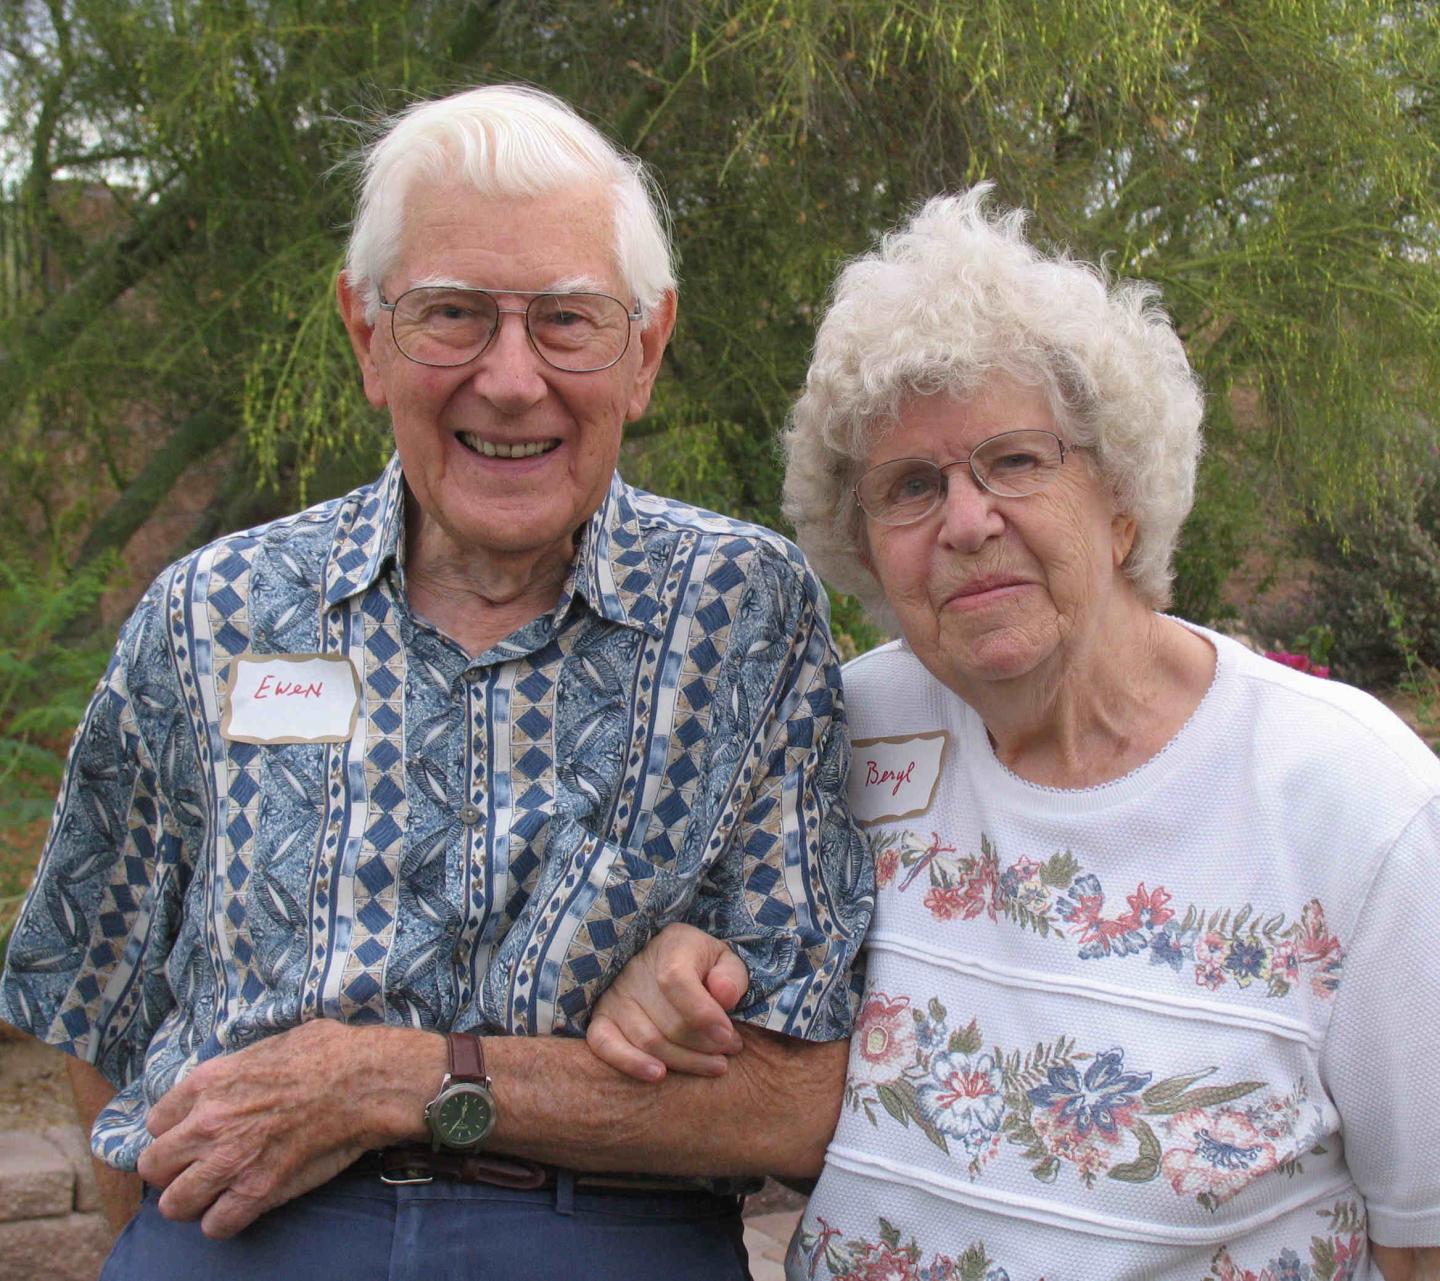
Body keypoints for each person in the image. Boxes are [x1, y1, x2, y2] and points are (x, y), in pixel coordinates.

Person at [0, 85, 873, 1281]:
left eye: (567, 321)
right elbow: (91, 998)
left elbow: (790, 1103)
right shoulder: (214, 616)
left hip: (598, 1239)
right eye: (452, 314)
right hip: (242, 1237)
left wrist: (392, 1082)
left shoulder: (745, 618)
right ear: (367, 338)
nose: (511, 380)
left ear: (646, 350)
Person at [585, 186, 1440, 1280]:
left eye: (1017, 462)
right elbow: (718, 975)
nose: (967, 521)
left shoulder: (1354, 803)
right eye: (909, 487)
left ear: (1123, 496)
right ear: (867, 549)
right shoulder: (845, 733)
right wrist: (667, 971)